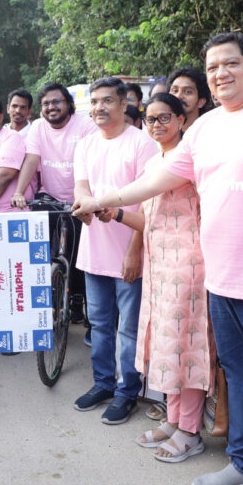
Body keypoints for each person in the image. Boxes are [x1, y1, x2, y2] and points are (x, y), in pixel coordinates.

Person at [72, 32, 243, 485]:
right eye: (212, 67)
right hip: (221, 280)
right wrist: (101, 200)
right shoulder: (206, 129)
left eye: (231, 63)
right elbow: (154, 181)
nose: (221, 73)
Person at [103, 93, 214, 462]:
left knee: (187, 344)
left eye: (165, 117)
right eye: (150, 119)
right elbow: (148, 219)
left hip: (189, 264)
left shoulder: (192, 158)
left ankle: (190, 430)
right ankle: (174, 419)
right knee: (167, 345)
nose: (157, 125)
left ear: (182, 120)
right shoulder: (155, 161)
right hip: (159, 266)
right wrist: (115, 214)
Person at [72, 77, 157, 424]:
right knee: (101, 325)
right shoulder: (85, 145)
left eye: (107, 101)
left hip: (128, 252)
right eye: (94, 102)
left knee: (129, 329)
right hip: (94, 252)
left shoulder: (142, 144)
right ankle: (104, 383)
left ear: (125, 105)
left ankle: (127, 391)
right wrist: (86, 210)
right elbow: (81, 189)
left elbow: (149, 203)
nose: (99, 108)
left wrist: (135, 250)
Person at [12, 82, 98, 324]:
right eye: (46, 103)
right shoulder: (38, 128)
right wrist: (19, 191)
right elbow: (31, 160)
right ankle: (42, 299)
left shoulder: (85, 125)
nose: (51, 107)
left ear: (68, 104)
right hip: (49, 197)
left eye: (56, 102)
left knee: (79, 256)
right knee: (40, 252)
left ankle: (78, 300)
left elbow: (93, 162)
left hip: (79, 200)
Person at [168, 66, 212, 132]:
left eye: (188, 92)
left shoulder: (209, 133)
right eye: (175, 91)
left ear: (201, 102)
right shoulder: (161, 134)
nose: (178, 96)